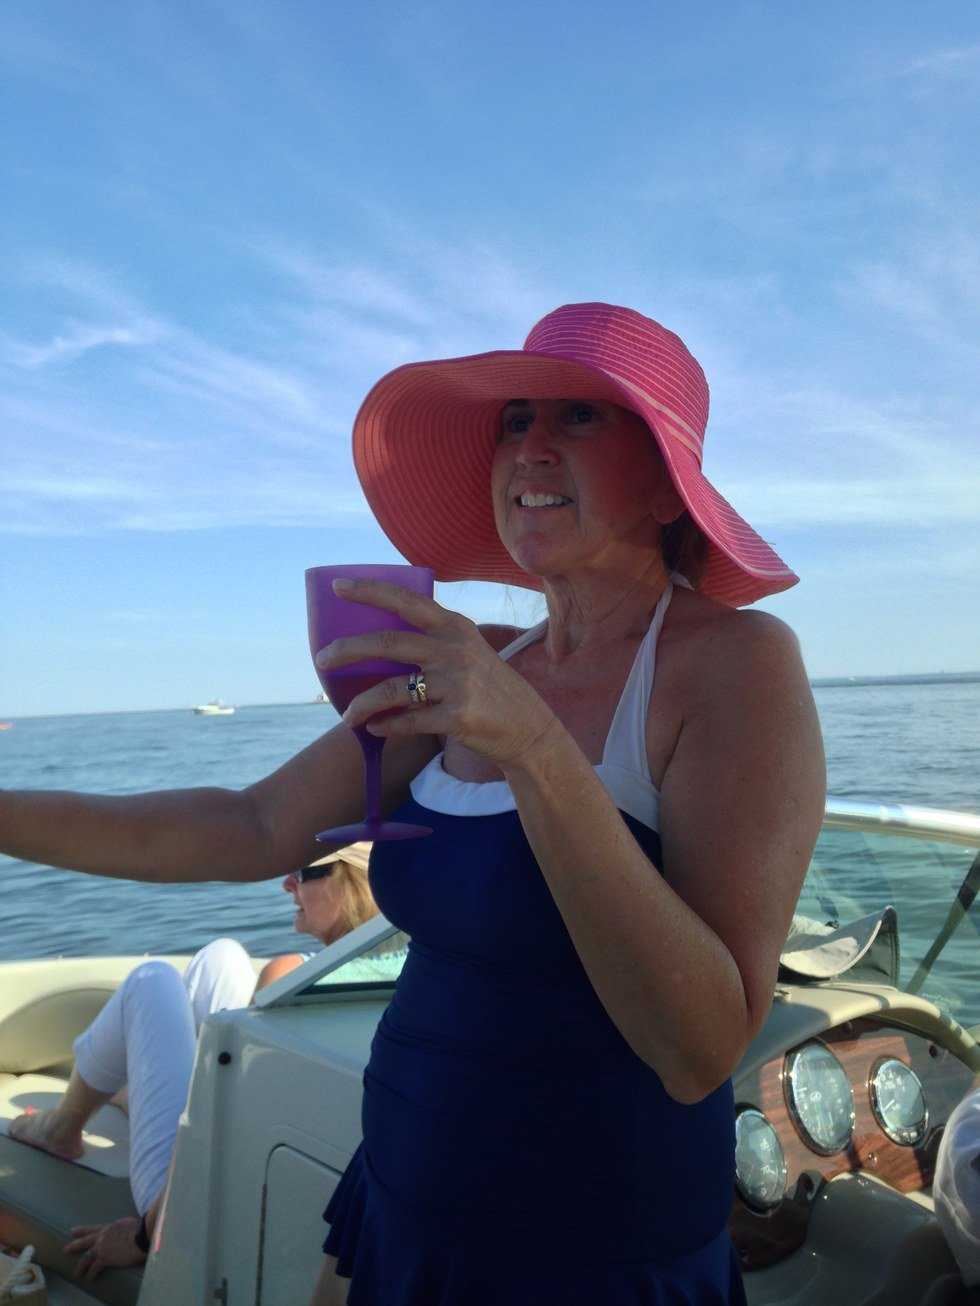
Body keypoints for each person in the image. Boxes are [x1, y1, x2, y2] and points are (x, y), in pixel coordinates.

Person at [0, 302, 826, 1305]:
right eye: (514, 421)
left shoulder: (736, 665)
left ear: (665, 483)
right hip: (398, 1194)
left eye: (577, 417)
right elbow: (250, 825)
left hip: (592, 1251)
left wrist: (530, 745)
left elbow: (700, 1047)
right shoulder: (477, 660)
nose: (528, 447)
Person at [6, 845, 376, 1282]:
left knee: (152, 980)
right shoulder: (409, 973)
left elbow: (230, 1128)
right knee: (221, 957)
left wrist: (142, 1237)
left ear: (352, 883)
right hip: (289, 1174)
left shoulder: (290, 977)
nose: (287, 883)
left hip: (194, 1198)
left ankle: (62, 1127)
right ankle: (132, 1100)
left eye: (305, 871)